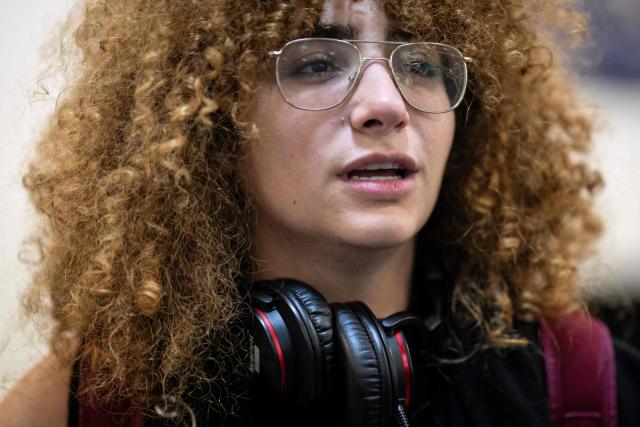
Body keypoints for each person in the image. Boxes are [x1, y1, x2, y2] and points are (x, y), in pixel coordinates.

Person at [1, 0, 639, 426]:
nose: (385, 104)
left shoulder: (587, 391)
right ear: (210, 118)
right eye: (315, 63)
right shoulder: (90, 407)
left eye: (419, 63)